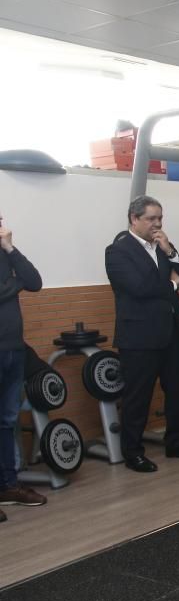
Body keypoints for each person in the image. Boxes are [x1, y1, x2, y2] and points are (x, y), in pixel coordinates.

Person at [105, 197, 179, 473]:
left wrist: (170, 252)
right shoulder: (117, 251)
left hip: (170, 332)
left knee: (176, 391)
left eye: (160, 218)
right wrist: (172, 284)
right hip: (139, 337)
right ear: (134, 219)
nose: (157, 224)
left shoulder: (162, 248)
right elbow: (140, 288)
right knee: (138, 397)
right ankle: (132, 452)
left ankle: (176, 443)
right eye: (150, 218)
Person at [0, 211, 45, 519]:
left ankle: (8, 486)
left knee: (7, 420)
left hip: (14, 350)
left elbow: (35, 282)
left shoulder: (6, 254)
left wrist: (10, 249)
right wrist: (14, 285)